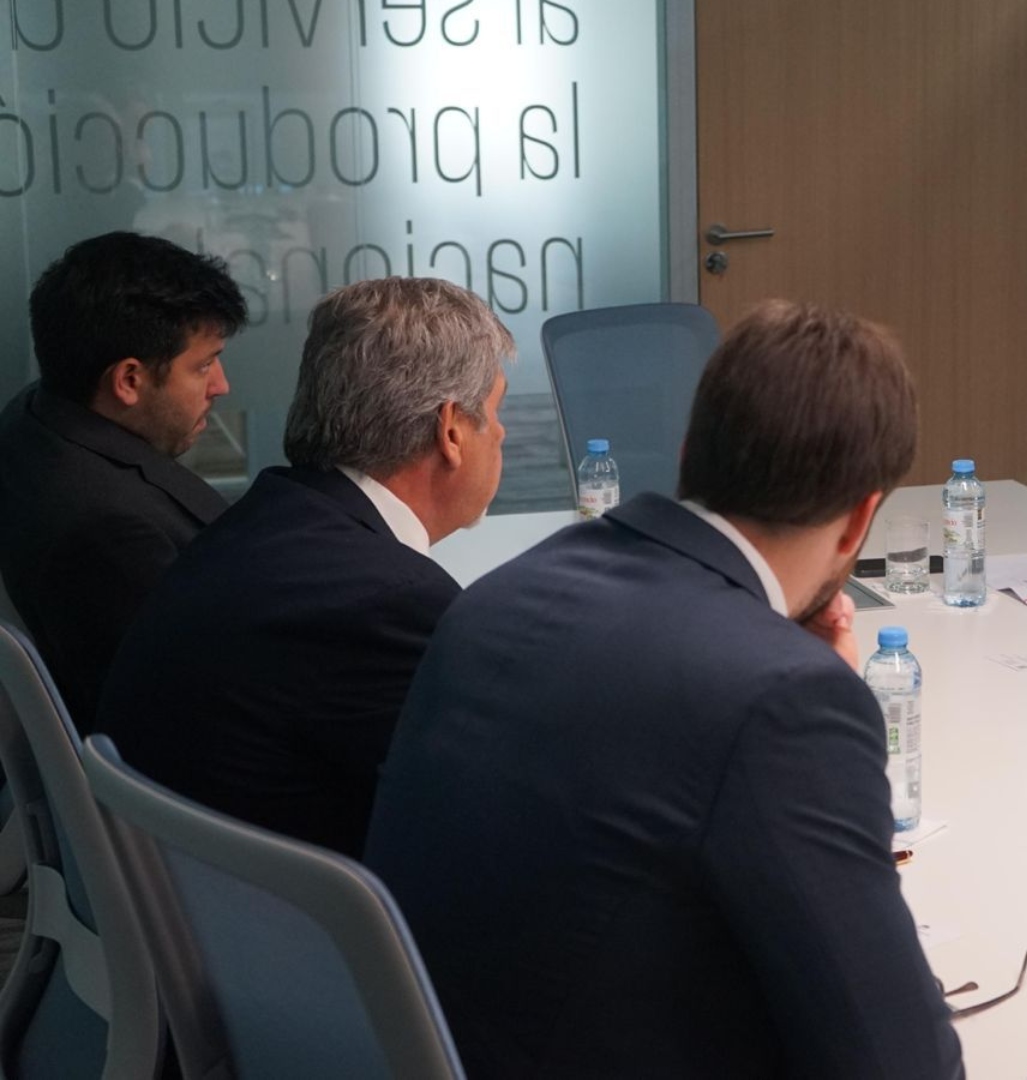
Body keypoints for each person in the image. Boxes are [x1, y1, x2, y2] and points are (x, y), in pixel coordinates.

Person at [363, 300, 964, 1079]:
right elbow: (899, 1063)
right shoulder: (784, 700)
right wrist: (812, 701)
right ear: (859, 520)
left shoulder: (502, 592)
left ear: (689, 454)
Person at [96, 277, 511, 857]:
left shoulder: (268, 518)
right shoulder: (389, 600)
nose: (502, 432)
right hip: (268, 905)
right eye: (493, 410)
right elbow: (487, 813)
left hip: (176, 878)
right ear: (451, 432)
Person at [0, 231, 245, 731]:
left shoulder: (33, 415)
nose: (221, 385)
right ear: (129, 380)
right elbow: (188, 707)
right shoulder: (109, 529)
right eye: (202, 366)